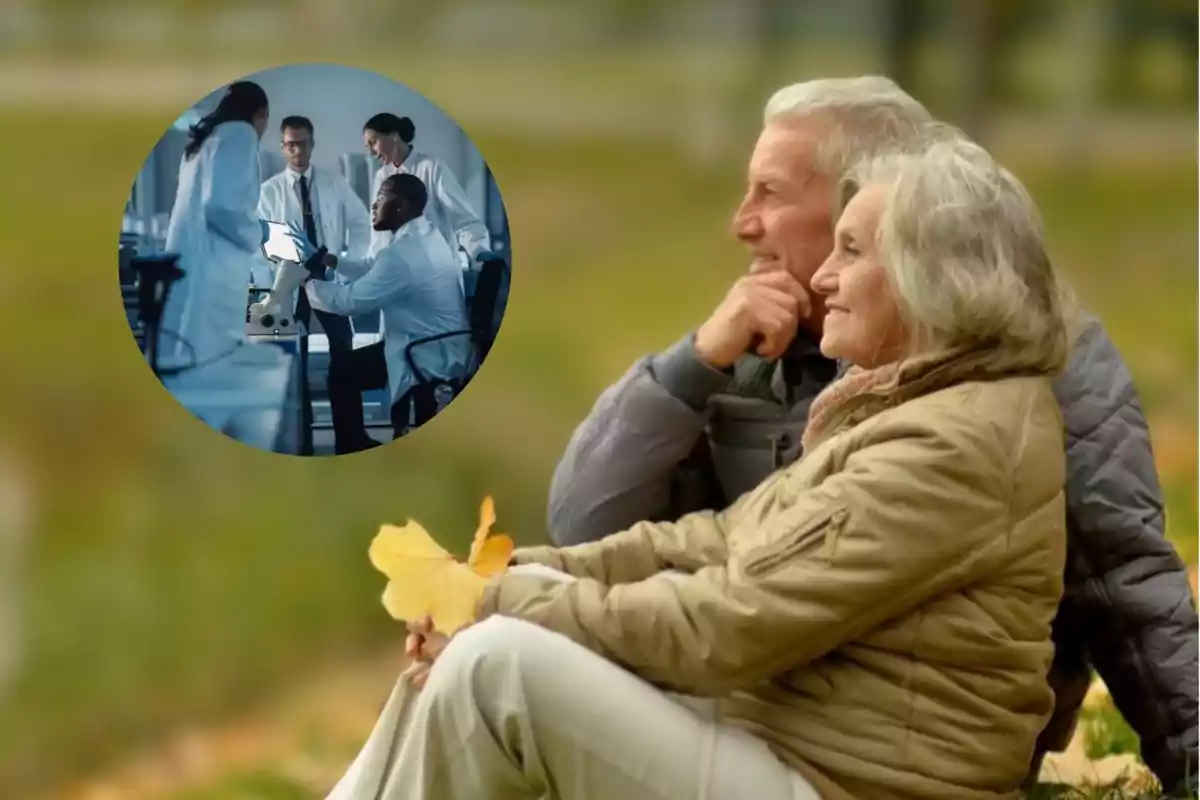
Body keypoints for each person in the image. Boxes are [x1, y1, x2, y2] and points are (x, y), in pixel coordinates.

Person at [326, 135, 1073, 800]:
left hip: (847, 782)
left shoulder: (952, 446)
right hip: (796, 747)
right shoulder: (916, 405)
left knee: (497, 667)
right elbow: (714, 541)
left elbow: (727, 625)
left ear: (929, 279)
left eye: (853, 251)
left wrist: (505, 608)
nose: (823, 279)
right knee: (502, 621)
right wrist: (506, 578)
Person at [545, 76, 1199, 794]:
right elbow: (587, 526)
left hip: (902, 754)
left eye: (771, 192)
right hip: (750, 706)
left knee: (493, 672)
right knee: (486, 672)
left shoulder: (1031, 359)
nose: (742, 222)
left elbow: (1125, 587)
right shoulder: (746, 347)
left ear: (875, 198)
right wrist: (689, 366)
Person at [304, 174, 469, 454]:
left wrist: (304, 282)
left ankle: (352, 447)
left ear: (400, 206)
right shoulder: (425, 235)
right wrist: (335, 262)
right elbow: (376, 267)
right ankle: (357, 442)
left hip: (426, 351)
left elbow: (350, 301)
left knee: (342, 371)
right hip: (437, 341)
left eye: (381, 197)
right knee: (346, 367)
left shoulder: (403, 254)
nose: (373, 205)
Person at [257, 115, 371, 455]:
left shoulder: (333, 182)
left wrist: (348, 260)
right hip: (290, 283)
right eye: (291, 144)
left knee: (344, 356)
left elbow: (360, 221)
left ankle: (351, 438)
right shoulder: (269, 191)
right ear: (282, 147)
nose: (298, 150)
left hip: (328, 279)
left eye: (303, 142)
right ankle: (299, 441)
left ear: (312, 143)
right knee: (292, 364)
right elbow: (261, 240)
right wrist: (287, 262)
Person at [159, 81, 269, 364]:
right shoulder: (241, 133)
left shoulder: (203, 141)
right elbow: (221, 207)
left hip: (190, 262)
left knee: (182, 358)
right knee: (209, 362)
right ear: (261, 114)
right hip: (215, 268)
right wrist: (258, 234)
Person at [362, 112, 494, 268]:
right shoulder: (381, 176)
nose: (371, 153)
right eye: (367, 147)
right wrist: (374, 267)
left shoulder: (431, 167)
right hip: (399, 270)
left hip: (436, 267)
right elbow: (378, 234)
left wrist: (480, 253)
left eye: (373, 142)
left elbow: (463, 219)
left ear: (394, 135)